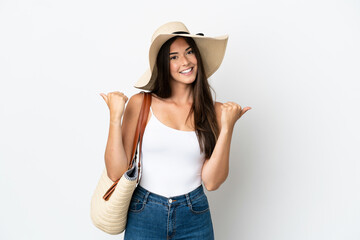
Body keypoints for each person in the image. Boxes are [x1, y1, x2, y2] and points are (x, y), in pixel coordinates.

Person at [99, 21, 251, 240]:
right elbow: (115, 172)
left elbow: (212, 182)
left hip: (194, 213)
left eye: (189, 52)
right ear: (163, 64)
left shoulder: (215, 112)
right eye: (174, 56)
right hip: (144, 212)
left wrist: (227, 128)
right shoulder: (141, 103)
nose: (186, 61)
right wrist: (115, 117)